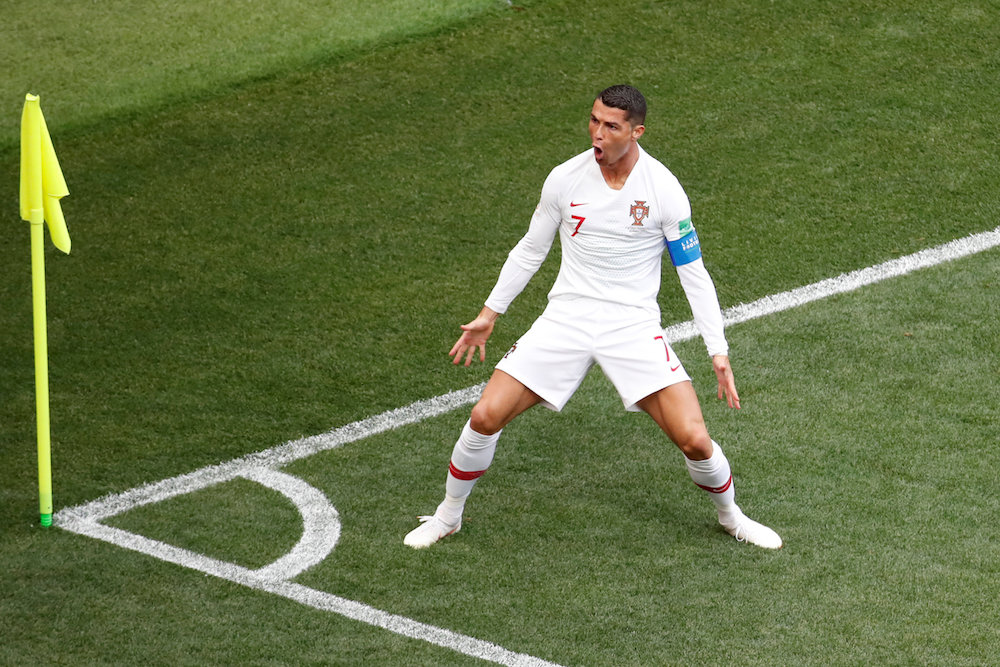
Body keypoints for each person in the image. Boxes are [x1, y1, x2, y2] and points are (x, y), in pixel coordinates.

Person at [404, 85, 781, 550]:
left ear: (636, 132)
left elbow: (693, 273)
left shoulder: (664, 189)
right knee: (485, 415)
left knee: (695, 440)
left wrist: (717, 352)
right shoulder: (564, 179)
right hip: (567, 318)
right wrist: (489, 314)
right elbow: (530, 250)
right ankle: (448, 516)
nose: (597, 133)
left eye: (611, 126)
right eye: (594, 120)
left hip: (632, 326)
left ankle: (731, 517)